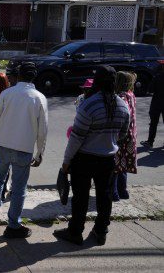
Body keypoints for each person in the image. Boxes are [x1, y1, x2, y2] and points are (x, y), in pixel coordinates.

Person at [54, 66, 130, 246]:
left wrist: (66, 162)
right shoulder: (122, 105)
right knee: (105, 197)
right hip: (108, 159)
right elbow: (123, 133)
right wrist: (107, 141)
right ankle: (101, 230)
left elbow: (76, 138)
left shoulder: (88, 104)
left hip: (84, 158)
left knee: (80, 197)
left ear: (96, 82)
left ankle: (75, 232)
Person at [0, 62, 48, 239]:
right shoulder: (39, 97)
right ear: (34, 76)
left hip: (2, 145)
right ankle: (13, 224)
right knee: (19, 188)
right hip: (23, 149)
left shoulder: (7, 93)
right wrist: (40, 153)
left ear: (18, 75)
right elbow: (42, 130)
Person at [113, 71, 137, 201]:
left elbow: (123, 115)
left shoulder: (121, 97)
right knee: (123, 164)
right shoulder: (131, 94)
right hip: (131, 134)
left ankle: (114, 193)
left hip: (122, 134)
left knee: (116, 164)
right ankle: (123, 191)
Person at [143, 63, 164, 148]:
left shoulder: (157, 77)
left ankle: (150, 142)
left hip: (157, 103)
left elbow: (150, 90)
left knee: (153, 123)